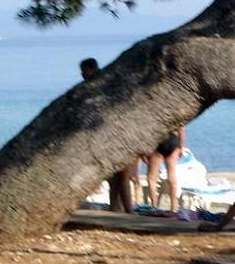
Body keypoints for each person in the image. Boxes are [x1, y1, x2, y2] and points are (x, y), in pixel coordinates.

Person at [80, 58, 139, 213]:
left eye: (84, 71)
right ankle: (118, 207)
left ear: (91, 69)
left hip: (118, 136)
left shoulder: (101, 86)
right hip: (112, 136)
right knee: (115, 176)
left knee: (122, 175)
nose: (82, 75)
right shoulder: (99, 85)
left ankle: (126, 209)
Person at [146, 127, 186, 213]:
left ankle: (154, 206)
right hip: (172, 140)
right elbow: (181, 129)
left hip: (157, 140)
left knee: (152, 178)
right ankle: (174, 207)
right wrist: (181, 147)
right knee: (172, 175)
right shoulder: (174, 113)